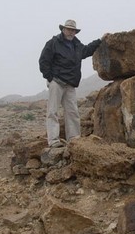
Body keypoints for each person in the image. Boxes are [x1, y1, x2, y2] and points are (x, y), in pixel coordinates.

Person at [39, 19, 106, 148]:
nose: (71, 32)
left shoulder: (77, 45)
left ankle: (74, 140)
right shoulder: (53, 43)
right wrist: (50, 77)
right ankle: (53, 141)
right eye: (69, 29)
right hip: (56, 82)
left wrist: (100, 41)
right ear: (63, 30)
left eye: (73, 30)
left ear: (75, 32)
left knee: (73, 112)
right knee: (52, 111)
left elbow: (86, 50)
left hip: (70, 84)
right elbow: (43, 61)